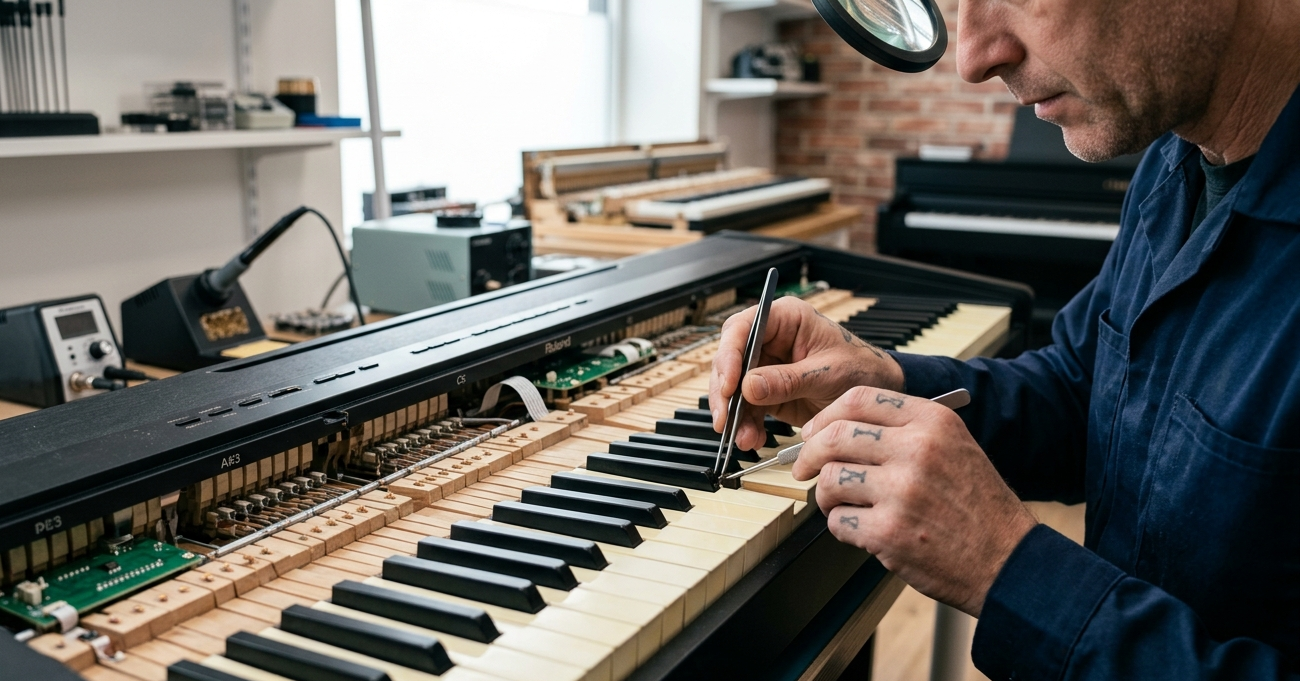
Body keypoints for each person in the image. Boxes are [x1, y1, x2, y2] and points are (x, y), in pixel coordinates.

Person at [708, 0, 1300, 677]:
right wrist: (882, 383)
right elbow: (1086, 391)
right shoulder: (1175, 164)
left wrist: (1011, 571)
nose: (973, 59)